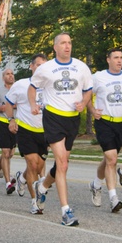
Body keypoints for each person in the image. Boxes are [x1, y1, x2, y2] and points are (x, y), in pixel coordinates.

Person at [28, 33, 93, 227]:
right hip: (53, 117)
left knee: (63, 165)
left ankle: (43, 186)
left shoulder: (81, 67)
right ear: (55, 47)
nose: (67, 46)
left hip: (72, 119)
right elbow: (32, 88)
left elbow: (88, 89)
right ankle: (66, 211)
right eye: (63, 43)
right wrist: (33, 104)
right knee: (62, 163)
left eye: (70, 43)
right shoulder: (46, 68)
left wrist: (84, 102)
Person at [88, 48, 122, 213]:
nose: (119, 60)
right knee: (111, 159)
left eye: (121, 58)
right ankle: (113, 198)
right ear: (108, 59)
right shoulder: (98, 77)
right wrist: (92, 110)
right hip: (104, 122)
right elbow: (87, 95)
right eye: (116, 57)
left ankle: (96, 184)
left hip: (121, 123)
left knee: (110, 159)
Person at [5, 54, 49, 213]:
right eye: (37, 65)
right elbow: (8, 104)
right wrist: (11, 119)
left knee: (38, 168)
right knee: (32, 164)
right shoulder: (21, 84)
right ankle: (34, 202)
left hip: (44, 132)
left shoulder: (50, 85)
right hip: (25, 129)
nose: (40, 69)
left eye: (43, 66)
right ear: (31, 67)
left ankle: (21, 178)